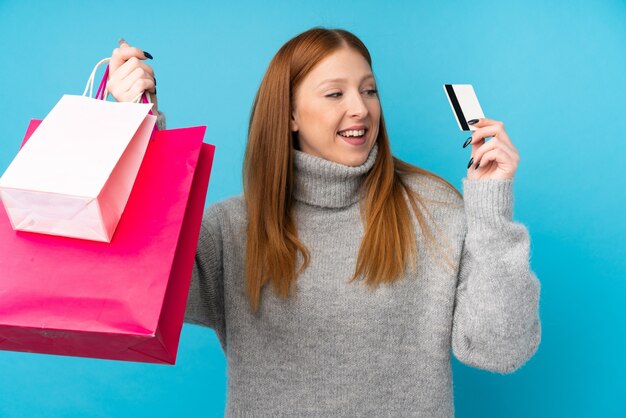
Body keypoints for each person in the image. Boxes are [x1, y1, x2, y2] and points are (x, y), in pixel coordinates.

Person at [107, 28, 540, 417]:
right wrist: (140, 131)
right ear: (290, 115)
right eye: (335, 94)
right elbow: (140, 281)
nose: (361, 109)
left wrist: (491, 210)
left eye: (369, 91)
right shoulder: (233, 229)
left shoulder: (432, 211)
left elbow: (499, 349)